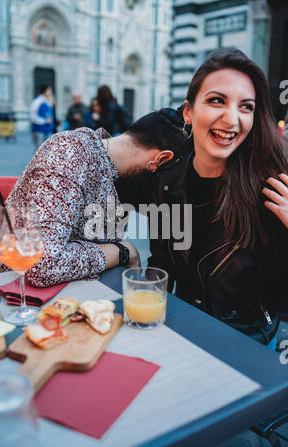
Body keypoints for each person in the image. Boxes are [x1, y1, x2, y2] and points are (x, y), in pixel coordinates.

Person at [116, 48, 288, 349]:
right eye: (217, 100)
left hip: (247, 342)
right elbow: (161, 265)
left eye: (245, 107)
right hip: (181, 327)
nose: (231, 118)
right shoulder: (166, 181)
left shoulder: (271, 188)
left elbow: (280, 298)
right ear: (188, 112)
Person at [0, 111, 188, 287]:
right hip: (6, 296)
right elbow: (43, 264)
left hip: (69, 297)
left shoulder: (114, 173)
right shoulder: (69, 153)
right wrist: (124, 251)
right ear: (160, 159)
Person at [30, 84, 54, 149]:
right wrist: (44, 121)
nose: (51, 92)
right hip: (39, 130)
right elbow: (32, 116)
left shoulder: (47, 101)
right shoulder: (37, 102)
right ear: (45, 91)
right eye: (49, 90)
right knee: (39, 150)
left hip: (48, 130)